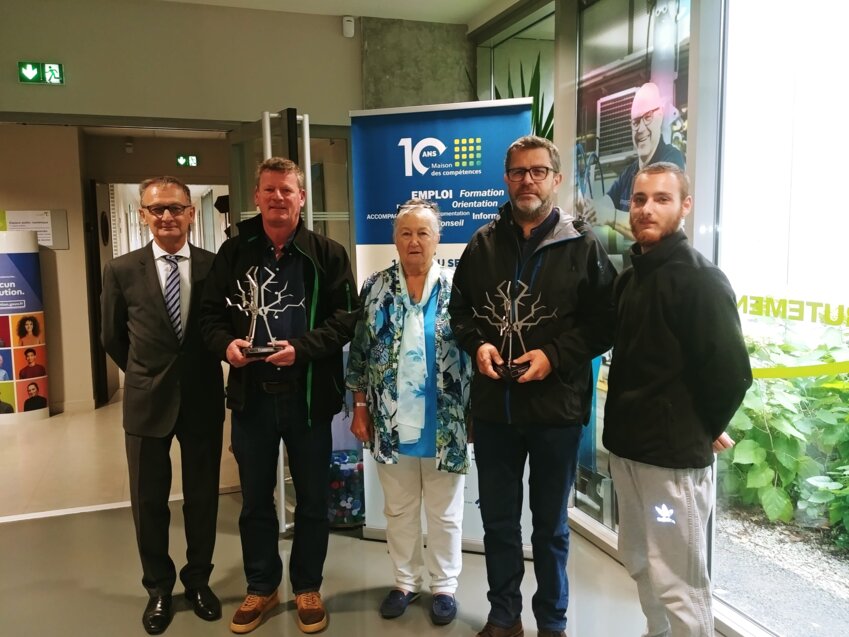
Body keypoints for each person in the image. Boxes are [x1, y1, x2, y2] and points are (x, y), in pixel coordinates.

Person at [449, 135, 616, 637]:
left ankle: (552, 622)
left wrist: (554, 356)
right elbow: (460, 314)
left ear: (556, 179)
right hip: (496, 412)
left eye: (538, 171)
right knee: (499, 523)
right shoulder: (481, 244)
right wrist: (477, 346)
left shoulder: (583, 245)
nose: (528, 180)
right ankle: (504, 616)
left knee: (551, 529)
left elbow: (603, 324)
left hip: (555, 413)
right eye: (519, 171)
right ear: (506, 178)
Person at [200, 157, 359, 635]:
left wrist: (303, 350)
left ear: (301, 198)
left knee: (313, 499)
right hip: (252, 398)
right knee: (254, 501)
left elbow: (347, 319)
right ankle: (262, 585)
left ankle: (307, 585)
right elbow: (208, 318)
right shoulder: (233, 254)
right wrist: (227, 347)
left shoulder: (327, 254)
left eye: (287, 190)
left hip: (308, 398)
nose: (277, 198)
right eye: (269, 190)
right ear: (257, 196)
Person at [603, 162, 752, 637]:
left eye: (661, 199)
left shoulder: (701, 280)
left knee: (678, 580)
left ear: (685, 206)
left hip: (670, 466)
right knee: (641, 564)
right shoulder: (631, 277)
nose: (646, 209)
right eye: (640, 199)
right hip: (628, 455)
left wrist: (703, 427)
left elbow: (732, 374)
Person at [101, 176, 225, 635]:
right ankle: (158, 588)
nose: (167, 217)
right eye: (157, 209)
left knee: (202, 498)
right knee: (148, 501)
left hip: (202, 398)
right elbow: (112, 337)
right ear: (143, 215)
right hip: (146, 401)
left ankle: (198, 581)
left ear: (192, 213)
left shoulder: (216, 266)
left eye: (176, 208)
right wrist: (144, 374)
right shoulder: (121, 270)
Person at [346, 199, 470, 626]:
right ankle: (403, 582)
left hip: (446, 420)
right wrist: (359, 407)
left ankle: (444, 588)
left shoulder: (458, 289)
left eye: (423, 233)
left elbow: (471, 357)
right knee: (398, 510)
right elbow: (360, 353)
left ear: (437, 239)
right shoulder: (376, 287)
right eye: (406, 233)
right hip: (389, 419)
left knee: (445, 513)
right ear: (394, 239)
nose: (414, 241)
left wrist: (474, 415)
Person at [582, 83, 686, 256]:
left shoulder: (671, 159)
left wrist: (611, 216)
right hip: (634, 271)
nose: (641, 129)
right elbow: (607, 202)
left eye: (647, 117)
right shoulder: (629, 172)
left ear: (659, 116)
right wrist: (590, 208)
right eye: (635, 122)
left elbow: (659, 227)